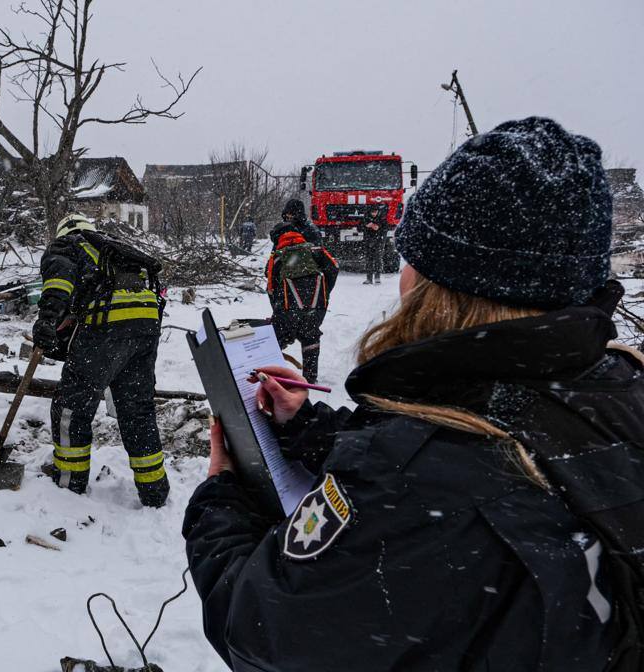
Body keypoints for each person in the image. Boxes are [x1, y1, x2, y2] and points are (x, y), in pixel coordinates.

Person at [183, 118, 636, 671]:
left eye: (408, 255)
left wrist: (221, 497)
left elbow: (261, 631)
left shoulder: (419, 481)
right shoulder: (616, 390)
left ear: (436, 281)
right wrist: (311, 425)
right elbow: (477, 441)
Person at [33, 213, 169, 507]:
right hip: (146, 322)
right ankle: (154, 490)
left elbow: (59, 278)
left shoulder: (67, 245)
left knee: (72, 408)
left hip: (106, 324)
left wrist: (46, 319)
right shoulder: (110, 249)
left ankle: (70, 482)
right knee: (137, 410)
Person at [265, 201, 338, 382]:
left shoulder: (276, 258)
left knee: (275, 340)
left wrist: (278, 309)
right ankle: (310, 378)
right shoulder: (315, 250)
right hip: (316, 306)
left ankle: (270, 375)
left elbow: (271, 288)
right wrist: (324, 292)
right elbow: (334, 268)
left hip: (288, 309)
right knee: (310, 336)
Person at [361, 212, 387, 284]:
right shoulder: (366, 218)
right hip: (368, 242)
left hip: (378, 241)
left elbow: (385, 230)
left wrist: (378, 227)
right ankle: (369, 279)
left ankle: (377, 277)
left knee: (378, 259)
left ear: (378, 212)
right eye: (372, 212)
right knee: (369, 260)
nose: (374, 213)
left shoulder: (382, 218)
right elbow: (359, 228)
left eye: (375, 212)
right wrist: (366, 226)